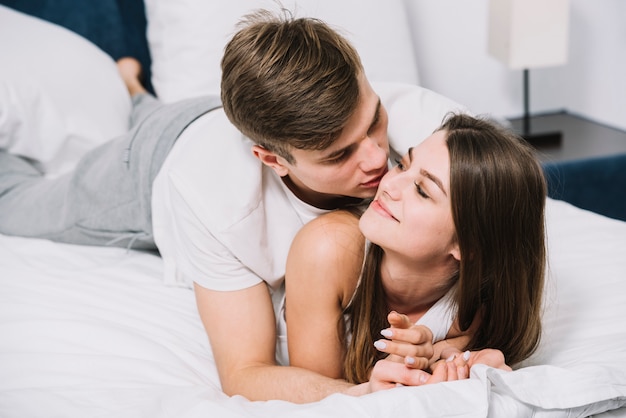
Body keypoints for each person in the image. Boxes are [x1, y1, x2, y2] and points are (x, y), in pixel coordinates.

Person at [0, 9, 499, 402]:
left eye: (373, 122)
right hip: (152, 157)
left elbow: (506, 224)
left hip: (215, 116)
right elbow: (245, 374)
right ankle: (135, 100)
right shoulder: (212, 199)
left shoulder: (429, 126)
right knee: (17, 204)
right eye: (340, 154)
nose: (378, 161)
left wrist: (448, 350)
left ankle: (134, 89)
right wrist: (359, 394)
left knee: (151, 108)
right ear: (270, 159)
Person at [284, 113, 547, 383]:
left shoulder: (476, 308)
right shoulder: (327, 248)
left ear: (468, 245)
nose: (388, 185)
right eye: (401, 165)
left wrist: (444, 360)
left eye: (422, 190)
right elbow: (318, 403)